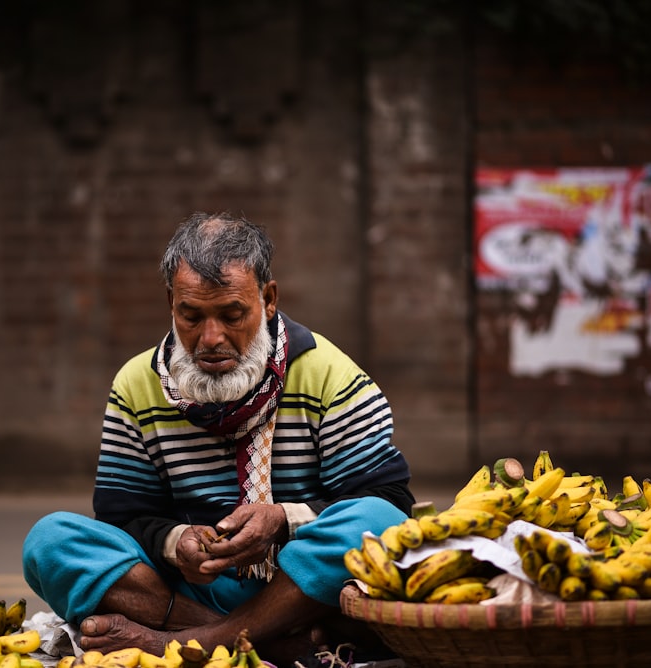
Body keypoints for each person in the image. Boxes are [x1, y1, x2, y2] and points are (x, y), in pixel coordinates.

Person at [22, 212, 415, 664]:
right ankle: (259, 642)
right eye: (191, 316)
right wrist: (176, 542)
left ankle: (193, 645)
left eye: (232, 315)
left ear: (268, 300)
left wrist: (283, 519)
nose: (211, 338)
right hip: (192, 593)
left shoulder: (329, 374)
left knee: (376, 521)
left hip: (302, 591)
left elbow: (390, 503)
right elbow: (122, 516)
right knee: (50, 542)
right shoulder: (135, 384)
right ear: (171, 303)